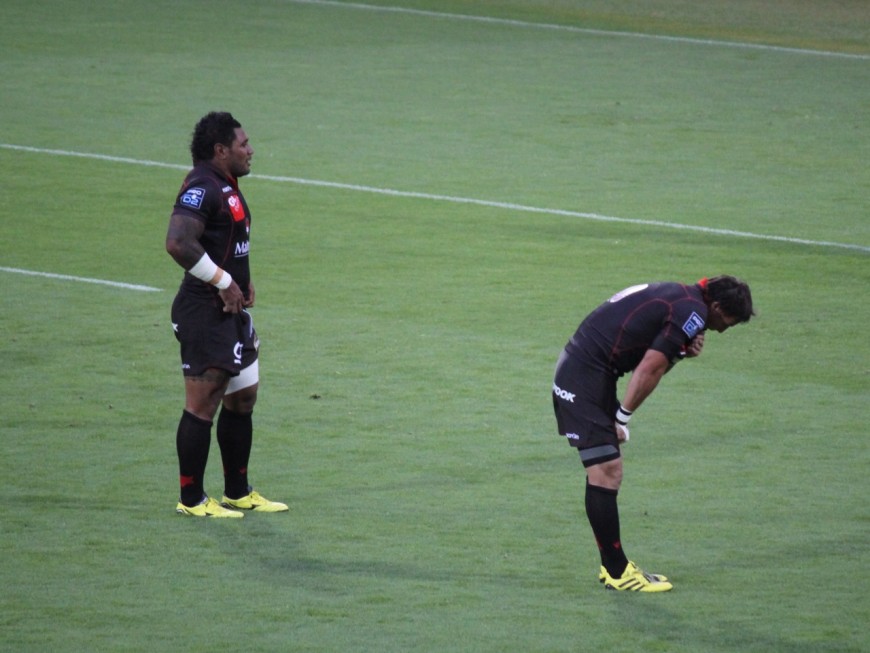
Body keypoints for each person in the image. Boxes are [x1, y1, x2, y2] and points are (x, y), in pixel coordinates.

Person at [552, 276, 754, 591]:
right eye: (729, 320)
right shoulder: (692, 312)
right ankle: (617, 572)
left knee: (607, 471)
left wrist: (680, 351)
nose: (726, 329)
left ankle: (613, 567)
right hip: (583, 376)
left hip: (588, 371)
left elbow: (655, 350)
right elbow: (650, 367)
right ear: (716, 306)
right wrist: (622, 418)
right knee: (606, 471)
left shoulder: (684, 298)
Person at [165, 111, 288, 518]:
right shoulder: (203, 187)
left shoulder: (225, 184)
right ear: (221, 150)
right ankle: (191, 499)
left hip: (231, 311)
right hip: (205, 311)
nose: (250, 150)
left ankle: (237, 491)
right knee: (203, 404)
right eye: (243, 144)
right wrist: (222, 280)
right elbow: (178, 243)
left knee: (243, 398)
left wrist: (241, 281)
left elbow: (226, 240)